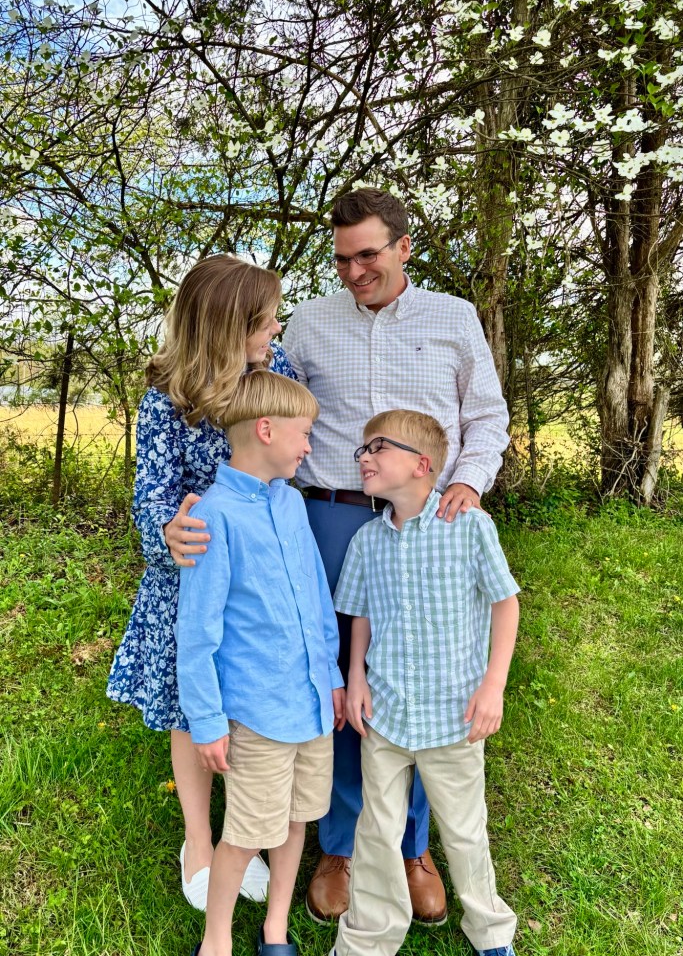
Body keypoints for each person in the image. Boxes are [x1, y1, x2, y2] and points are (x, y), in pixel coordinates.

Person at [166, 188, 510, 924]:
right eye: (342, 259)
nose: (355, 272)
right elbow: (246, 395)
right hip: (324, 516)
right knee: (329, 675)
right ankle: (340, 844)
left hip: (426, 518)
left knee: (417, 669)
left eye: (368, 255)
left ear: (404, 246)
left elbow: (487, 414)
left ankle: (411, 846)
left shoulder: (454, 318)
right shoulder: (310, 325)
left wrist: (471, 482)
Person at [106, 255, 297, 911]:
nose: (276, 328)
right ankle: (199, 840)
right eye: (266, 320)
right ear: (226, 328)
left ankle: (247, 828)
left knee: (247, 699)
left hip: (258, 572)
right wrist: (167, 529)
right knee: (193, 705)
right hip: (193, 574)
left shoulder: (276, 371)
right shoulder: (167, 394)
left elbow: (289, 452)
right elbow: (152, 493)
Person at [331, 409, 519, 956]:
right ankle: (367, 939)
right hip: (387, 716)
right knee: (376, 833)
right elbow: (361, 615)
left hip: (454, 717)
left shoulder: (470, 528)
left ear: (422, 465)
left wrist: (493, 686)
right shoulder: (367, 541)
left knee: (464, 831)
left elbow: (506, 604)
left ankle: (491, 933)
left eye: (377, 448)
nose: (364, 457)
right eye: (362, 449)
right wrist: (356, 676)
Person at [175, 370, 345, 956]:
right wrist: (206, 721)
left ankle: (275, 927)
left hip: (311, 705)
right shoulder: (213, 516)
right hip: (258, 713)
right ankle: (216, 939)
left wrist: (333, 678)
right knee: (247, 834)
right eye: (304, 434)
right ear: (266, 430)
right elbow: (197, 632)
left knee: (296, 821)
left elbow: (317, 597)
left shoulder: (292, 503)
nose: (308, 448)